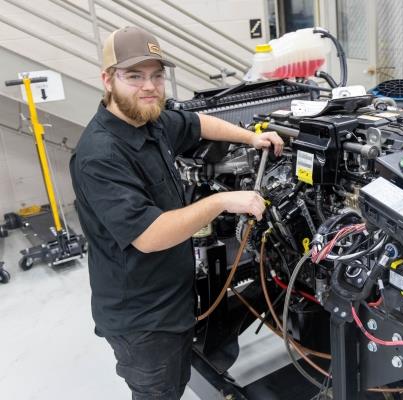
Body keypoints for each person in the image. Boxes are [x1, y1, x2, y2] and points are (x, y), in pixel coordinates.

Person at [69, 26, 283, 400]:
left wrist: (252, 137)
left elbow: (199, 123)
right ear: (107, 80)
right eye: (134, 76)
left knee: (177, 379)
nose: (149, 86)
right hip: (143, 319)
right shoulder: (99, 155)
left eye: (156, 75)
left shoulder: (150, 120)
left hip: (173, 296)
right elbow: (150, 235)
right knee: (161, 391)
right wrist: (223, 201)